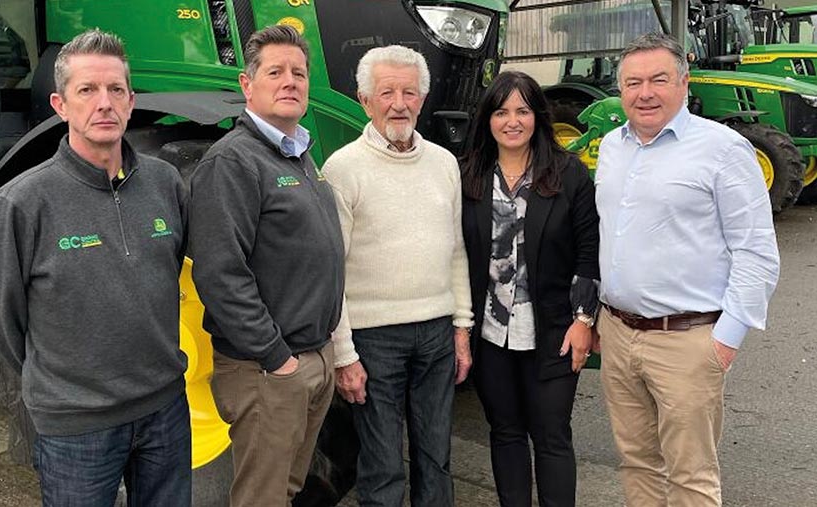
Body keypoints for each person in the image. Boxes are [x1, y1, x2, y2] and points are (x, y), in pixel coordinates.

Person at [0, 29, 191, 506]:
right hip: (77, 428)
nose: (104, 103)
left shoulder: (166, 183)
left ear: (132, 101)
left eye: (116, 90)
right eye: (87, 90)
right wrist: (63, 383)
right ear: (60, 104)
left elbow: (169, 271)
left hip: (165, 409)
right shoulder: (20, 204)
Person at [596, 32, 780, 507]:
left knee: (690, 476)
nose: (645, 92)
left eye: (659, 79)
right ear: (620, 89)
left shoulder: (723, 149)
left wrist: (725, 341)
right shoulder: (613, 147)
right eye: (633, 82)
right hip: (617, 332)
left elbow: (756, 250)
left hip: (687, 340)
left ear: (684, 82)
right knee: (636, 461)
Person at [187, 25, 343, 507]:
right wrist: (278, 358)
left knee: (287, 491)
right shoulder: (233, 162)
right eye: (275, 71)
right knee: (263, 497)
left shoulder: (299, 155)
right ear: (246, 84)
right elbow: (220, 272)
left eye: (299, 72)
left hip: (312, 359)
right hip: (266, 369)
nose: (290, 81)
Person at [322, 45, 473, 507]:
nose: (399, 103)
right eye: (386, 92)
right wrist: (344, 353)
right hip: (373, 339)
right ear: (365, 100)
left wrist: (461, 328)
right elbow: (333, 272)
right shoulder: (342, 169)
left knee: (436, 457)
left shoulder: (445, 164)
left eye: (409, 91)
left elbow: (456, 251)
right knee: (383, 464)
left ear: (423, 98)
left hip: (436, 334)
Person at [460, 71, 599, 507]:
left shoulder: (569, 174)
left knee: (552, 435)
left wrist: (583, 321)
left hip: (554, 332)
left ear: (538, 116)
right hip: (490, 335)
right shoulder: (469, 177)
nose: (512, 121)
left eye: (522, 110)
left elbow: (589, 253)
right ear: (488, 119)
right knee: (505, 433)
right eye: (501, 111)